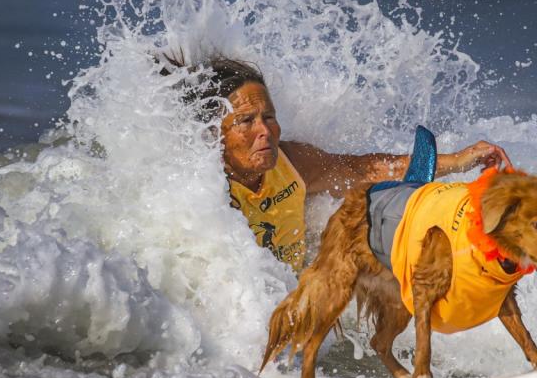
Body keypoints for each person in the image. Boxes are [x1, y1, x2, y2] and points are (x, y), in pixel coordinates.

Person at [178, 55, 511, 272]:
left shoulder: (293, 163)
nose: (265, 131)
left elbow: (361, 170)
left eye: (269, 117)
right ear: (213, 133)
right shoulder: (207, 190)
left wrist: (458, 160)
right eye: (246, 120)